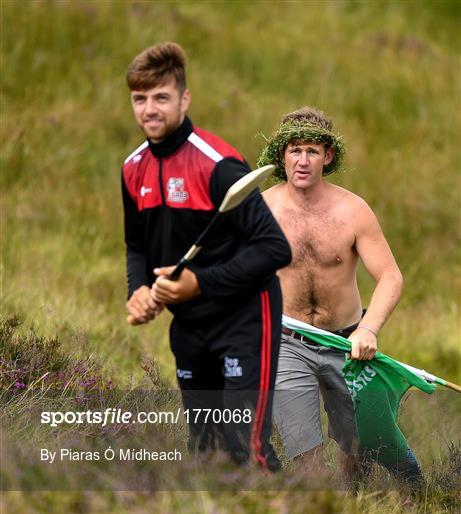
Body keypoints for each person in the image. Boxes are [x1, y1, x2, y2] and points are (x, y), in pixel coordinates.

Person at [121, 42, 291, 471]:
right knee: (206, 451)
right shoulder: (132, 168)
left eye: (161, 97)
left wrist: (202, 282)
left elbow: (275, 248)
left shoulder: (219, 166)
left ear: (184, 99)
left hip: (245, 319)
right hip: (191, 326)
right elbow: (137, 245)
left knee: (243, 446)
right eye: (140, 99)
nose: (149, 109)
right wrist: (138, 290)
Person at [258, 106, 406, 481]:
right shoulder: (261, 210)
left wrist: (368, 329)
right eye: (294, 149)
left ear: (329, 155)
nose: (303, 160)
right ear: (281, 155)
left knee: (356, 451)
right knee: (305, 455)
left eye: (312, 150)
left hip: (347, 343)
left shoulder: (353, 210)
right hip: (288, 342)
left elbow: (390, 276)